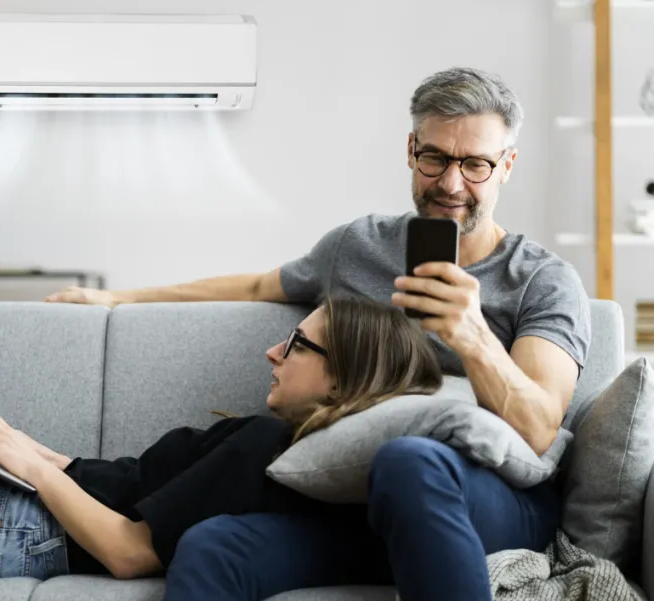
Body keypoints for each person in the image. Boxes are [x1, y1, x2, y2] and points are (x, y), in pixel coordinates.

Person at [45, 66, 592, 601]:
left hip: (486, 503)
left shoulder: (542, 282)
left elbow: (539, 428)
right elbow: (261, 285)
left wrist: (472, 336)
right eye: (434, 158)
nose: (451, 184)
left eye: (475, 164)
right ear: (410, 151)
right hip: (355, 507)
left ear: (507, 165)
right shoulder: (359, 246)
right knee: (212, 544)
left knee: (408, 461)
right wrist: (118, 298)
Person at [0, 295, 440, 581]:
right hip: (3, 508)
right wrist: (30, 448)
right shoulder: (269, 438)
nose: (272, 350)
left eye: (295, 342)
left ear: (342, 374)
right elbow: (127, 481)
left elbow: (129, 550)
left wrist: (32, 468)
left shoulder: (266, 446)